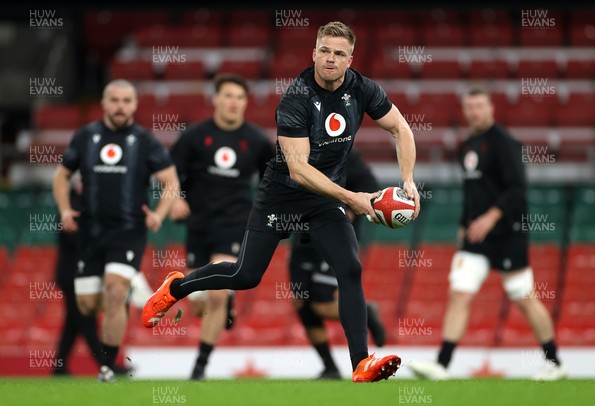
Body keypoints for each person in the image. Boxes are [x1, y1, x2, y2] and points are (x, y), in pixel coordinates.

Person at [143, 21, 420, 383]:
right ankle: (176, 287)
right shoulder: (296, 98)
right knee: (245, 276)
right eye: (325, 51)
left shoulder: (363, 88)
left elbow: (400, 128)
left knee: (350, 269)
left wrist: (408, 180)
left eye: (339, 53)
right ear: (314, 53)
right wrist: (353, 197)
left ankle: (360, 363)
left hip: (323, 201)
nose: (331, 59)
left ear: (350, 59)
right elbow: (299, 170)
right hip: (282, 197)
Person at [407, 86, 567, 381]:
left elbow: (517, 190)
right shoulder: (466, 146)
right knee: (459, 293)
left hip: (507, 233)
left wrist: (490, 218)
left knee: (523, 297)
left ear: (492, 109)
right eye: (470, 107)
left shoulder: (506, 144)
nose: (474, 112)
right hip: (475, 236)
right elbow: (472, 193)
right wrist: (463, 224)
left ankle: (554, 362)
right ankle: (441, 366)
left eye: (480, 106)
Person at [53, 79, 179, 382]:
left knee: (113, 289)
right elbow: (61, 175)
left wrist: (160, 214)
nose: (120, 106)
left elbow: (171, 182)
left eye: (126, 101)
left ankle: (107, 367)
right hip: (89, 232)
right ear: (104, 103)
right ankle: (127, 286)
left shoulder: (146, 141)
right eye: (114, 100)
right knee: (86, 304)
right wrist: (65, 209)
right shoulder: (85, 137)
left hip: (128, 230)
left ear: (135, 105)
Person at [169, 74, 273, 380]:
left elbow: (275, 179)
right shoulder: (195, 137)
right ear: (215, 99)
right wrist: (175, 200)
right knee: (199, 305)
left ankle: (200, 367)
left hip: (236, 225)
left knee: (215, 292)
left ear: (245, 103)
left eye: (239, 98)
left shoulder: (256, 140)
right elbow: (168, 173)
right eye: (228, 96)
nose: (233, 102)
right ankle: (227, 301)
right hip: (199, 226)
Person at [288, 149, 386, 379]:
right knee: (300, 300)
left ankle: (367, 314)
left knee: (320, 304)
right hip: (302, 236)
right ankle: (329, 367)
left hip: (334, 234)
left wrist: (350, 209)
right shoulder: (297, 153)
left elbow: (370, 187)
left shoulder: (344, 155)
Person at [52, 175, 103, 375]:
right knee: (87, 322)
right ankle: (106, 364)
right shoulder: (72, 209)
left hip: (76, 275)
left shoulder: (84, 207)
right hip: (73, 276)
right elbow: (78, 242)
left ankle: (59, 367)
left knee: (72, 326)